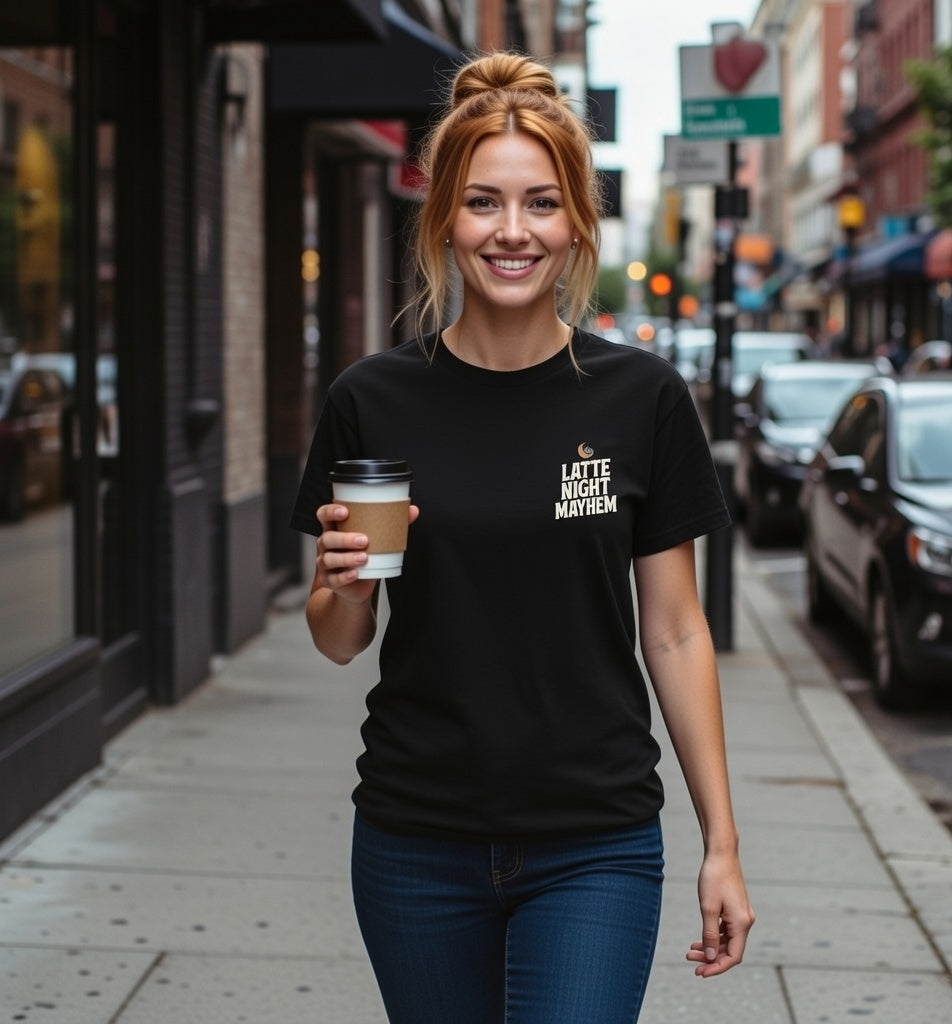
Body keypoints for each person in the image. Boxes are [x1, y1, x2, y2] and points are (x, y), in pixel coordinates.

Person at [291, 51, 754, 1024]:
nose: (512, 232)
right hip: (415, 836)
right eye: (483, 203)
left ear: (577, 220)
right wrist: (342, 582)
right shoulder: (371, 400)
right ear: (442, 218)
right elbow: (340, 637)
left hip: (595, 842)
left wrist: (722, 840)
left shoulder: (642, 400)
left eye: (541, 203)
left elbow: (673, 631)